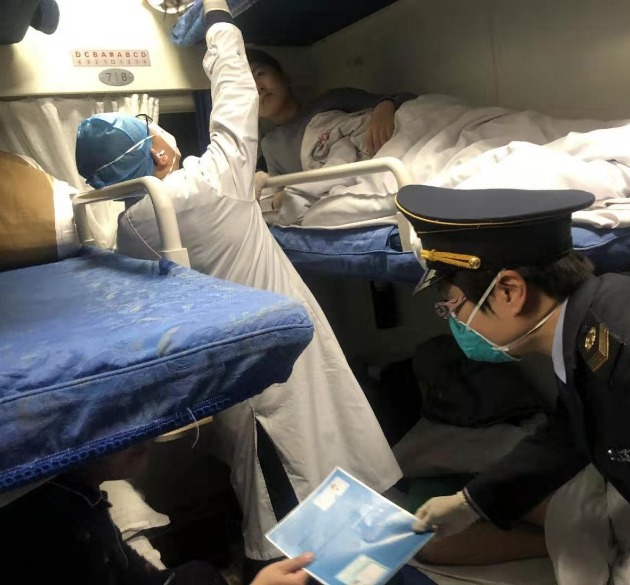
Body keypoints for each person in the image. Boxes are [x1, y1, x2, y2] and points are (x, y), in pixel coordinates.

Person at [73, 2, 402, 583]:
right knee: (297, 492)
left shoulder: (129, 229)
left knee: (292, 474)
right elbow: (235, 99)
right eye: (155, 133)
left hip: (230, 377)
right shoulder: (209, 184)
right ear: (159, 154)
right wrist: (220, 19)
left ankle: (345, 563)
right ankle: (322, 570)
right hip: (277, 368)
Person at [396, 184, 630, 584]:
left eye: (452, 306)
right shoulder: (592, 328)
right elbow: (571, 433)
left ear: (509, 292)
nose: (454, 321)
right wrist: (471, 503)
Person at [0, 443, 228, 584]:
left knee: (199, 575)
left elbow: (125, 566)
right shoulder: (53, 519)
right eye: (112, 419)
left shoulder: (80, 492)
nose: (140, 433)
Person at [246, 48, 416, 176]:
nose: (258, 87)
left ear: (284, 76)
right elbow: (283, 195)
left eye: (260, 74)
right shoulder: (270, 145)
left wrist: (386, 105)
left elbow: (411, 101)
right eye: (247, 85)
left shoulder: (332, 100)